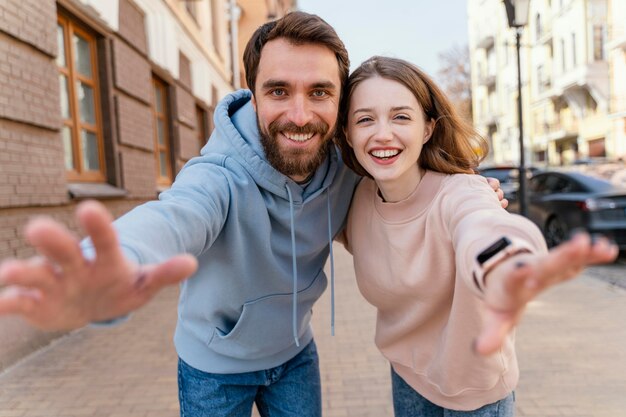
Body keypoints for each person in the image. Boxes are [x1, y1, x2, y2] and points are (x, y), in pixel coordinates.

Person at [0, 12, 504, 417]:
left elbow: (411, 197)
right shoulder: (217, 174)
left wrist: (477, 199)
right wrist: (107, 262)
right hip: (212, 368)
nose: (301, 115)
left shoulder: (347, 163)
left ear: (340, 103)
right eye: (279, 90)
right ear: (253, 92)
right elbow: (176, 216)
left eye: (321, 93)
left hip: (295, 356)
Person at [335, 56, 618, 416]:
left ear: (427, 128)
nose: (383, 133)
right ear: (347, 133)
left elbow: (480, 224)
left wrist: (506, 259)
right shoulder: (356, 199)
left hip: (474, 395)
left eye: (401, 116)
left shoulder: (461, 192)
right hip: (406, 375)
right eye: (365, 119)